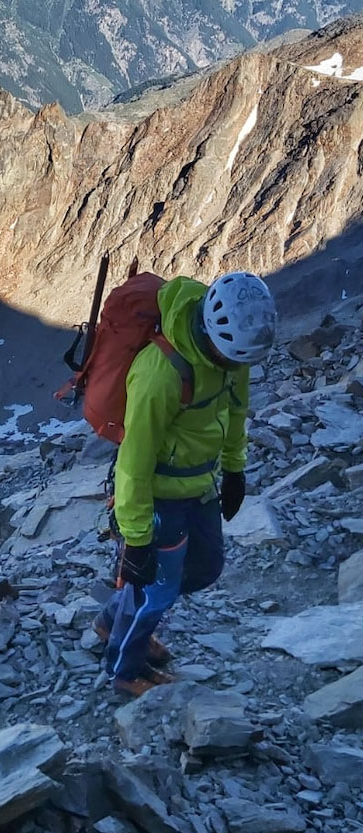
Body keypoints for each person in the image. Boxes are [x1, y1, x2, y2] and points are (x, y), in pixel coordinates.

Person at [94, 272, 277, 699]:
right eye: (231, 359)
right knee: (156, 591)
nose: (237, 369)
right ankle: (125, 668)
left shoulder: (234, 354)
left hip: (200, 485)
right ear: (211, 333)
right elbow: (133, 464)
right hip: (160, 497)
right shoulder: (160, 374)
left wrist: (234, 470)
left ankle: (110, 622)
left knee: (205, 567)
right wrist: (137, 540)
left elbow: (234, 410)